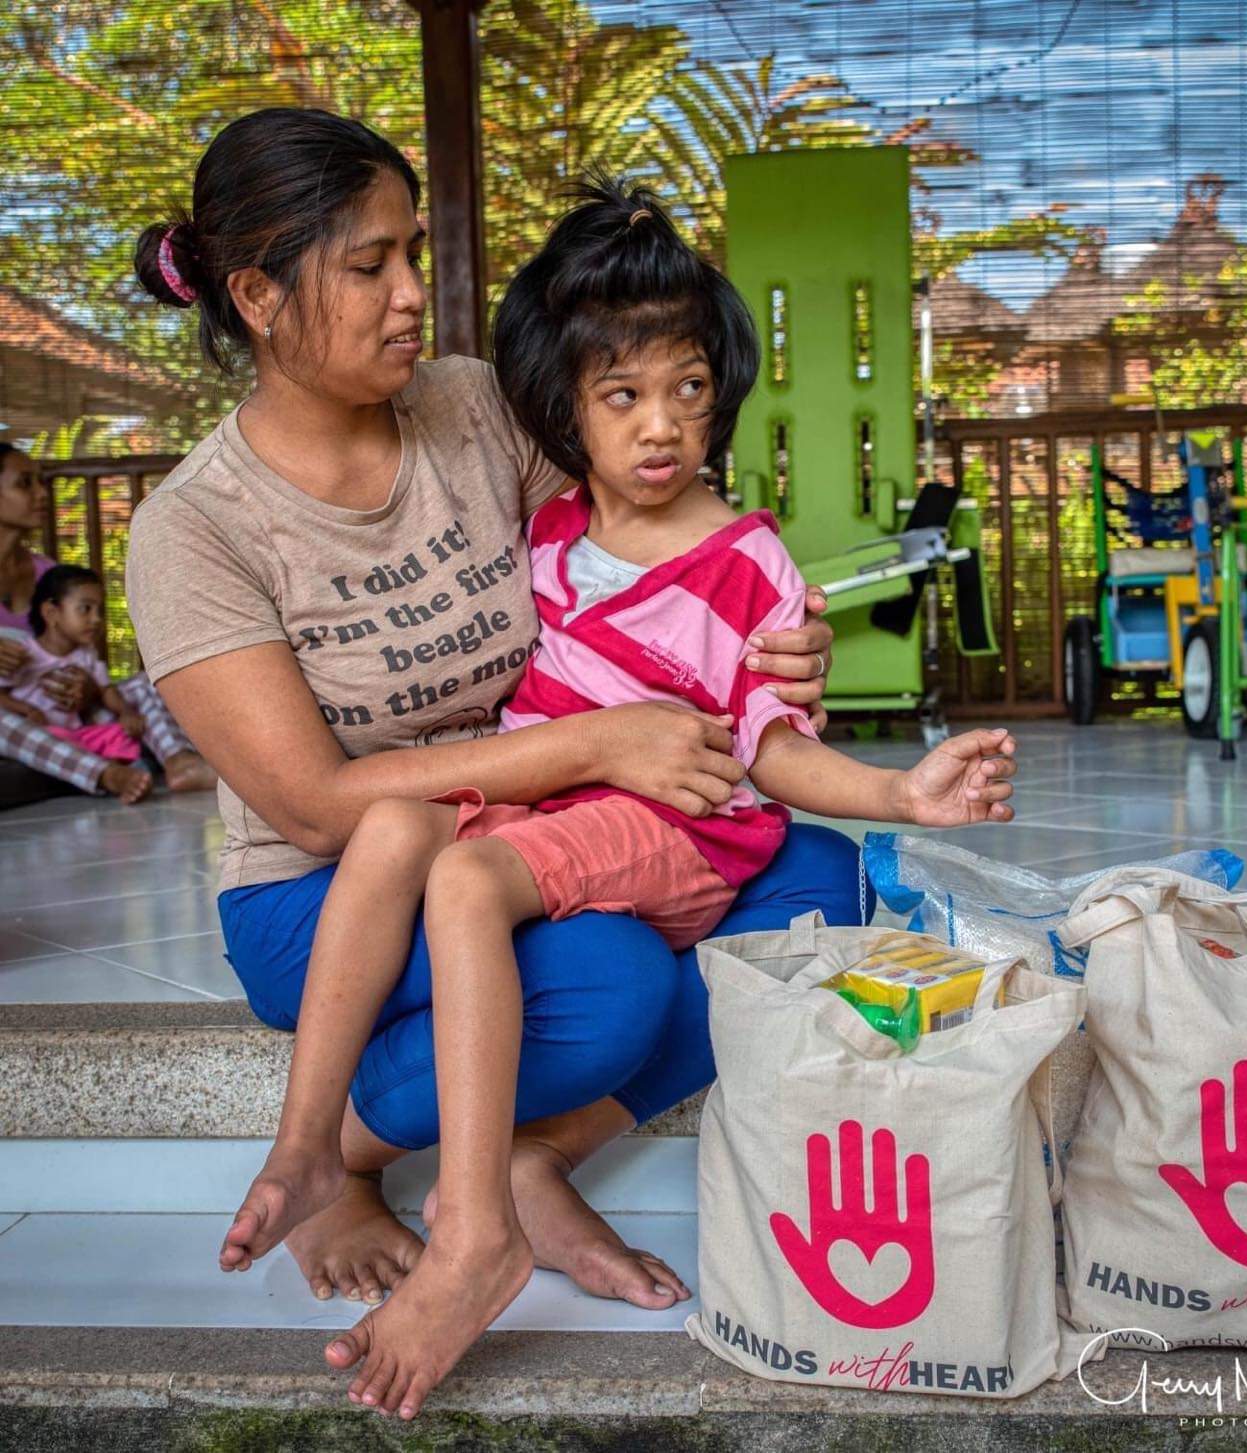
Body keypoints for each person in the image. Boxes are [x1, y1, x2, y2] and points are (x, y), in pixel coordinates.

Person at [216, 178, 1018, 1419]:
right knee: (392, 833)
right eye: (623, 397)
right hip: (538, 802)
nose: (660, 427)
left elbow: (767, 745)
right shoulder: (549, 531)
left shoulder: (738, 557)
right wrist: (592, 745)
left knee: (480, 879)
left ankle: (474, 1223)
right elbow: (335, 796)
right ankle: (312, 1146)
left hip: (668, 816)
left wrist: (897, 791)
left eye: (688, 391)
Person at [123, 108, 877, 1326]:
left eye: (412, 253)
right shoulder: (195, 528)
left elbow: (643, 540)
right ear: (258, 296)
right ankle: (339, 1156)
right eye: (370, 266)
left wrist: (769, 637)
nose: (412, 295)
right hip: (332, 885)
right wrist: (594, 743)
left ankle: (540, 1159)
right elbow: (312, 806)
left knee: (819, 880)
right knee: (607, 981)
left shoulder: (472, 408)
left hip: (544, 818)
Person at [0, 443, 215, 800]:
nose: (41, 493)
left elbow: (82, 651)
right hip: (16, 710)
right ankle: (106, 774)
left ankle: (180, 762)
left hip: (68, 710)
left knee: (149, 683)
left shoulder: (48, 574)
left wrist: (88, 688)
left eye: (40, 482)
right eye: (25, 483)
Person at [0, 564, 153, 801]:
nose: (96, 619)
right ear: (51, 613)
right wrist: (26, 710)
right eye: (85, 609)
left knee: (121, 726)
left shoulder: (87, 655)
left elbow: (106, 690)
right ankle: (109, 773)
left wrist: (125, 713)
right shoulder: (25, 653)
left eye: (100, 611)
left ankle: (131, 767)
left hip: (77, 733)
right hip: (43, 731)